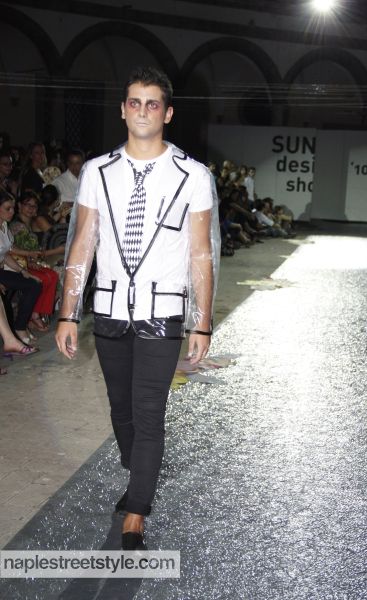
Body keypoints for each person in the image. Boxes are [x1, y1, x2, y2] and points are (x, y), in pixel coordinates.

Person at [55, 66, 220, 550]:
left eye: (153, 104)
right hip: (108, 310)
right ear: (122, 110)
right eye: (134, 102)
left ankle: (136, 512)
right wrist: (67, 313)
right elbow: (82, 244)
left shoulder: (193, 175)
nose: (143, 111)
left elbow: (201, 254)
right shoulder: (97, 172)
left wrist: (202, 322)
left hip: (162, 311)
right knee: (121, 410)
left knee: (148, 413)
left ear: (167, 113)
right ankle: (139, 472)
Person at [10, 192, 60, 331]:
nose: (31, 208)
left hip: (33, 261)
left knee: (53, 275)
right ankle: (34, 314)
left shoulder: (31, 224)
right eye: (28, 205)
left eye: (34, 206)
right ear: (19, 206)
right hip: (21, 263)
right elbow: (16, 250)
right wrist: (32, 260)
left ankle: (37, 312)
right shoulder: (16, 226)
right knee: (45, 277)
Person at [0, 190, 42, 345]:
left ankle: (20, 326)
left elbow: (6, 254)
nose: (12, 212)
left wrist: (23, 272)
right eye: (7, 208)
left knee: (34, 283)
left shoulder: (4, 226)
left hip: (2, 269)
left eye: (12, 208)